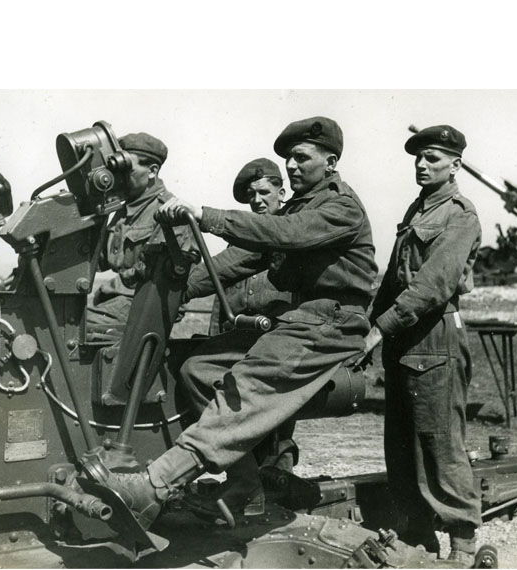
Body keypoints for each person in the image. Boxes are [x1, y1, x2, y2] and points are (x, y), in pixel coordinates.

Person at [91, 116, 377, 531]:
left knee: (246, 385)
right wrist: (163, 286)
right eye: (289, 159)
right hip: (303, 318)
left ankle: (155, 485)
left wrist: (204, 215)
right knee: (198, 370)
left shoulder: (340, 207)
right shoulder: (300, 207)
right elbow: (228, 264)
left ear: (331, 162)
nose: (292, 167)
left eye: (301, 158)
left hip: (332, 321)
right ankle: (246, 486)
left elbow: (287, 233)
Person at [361, 124, 482, 564]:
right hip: (404, 338)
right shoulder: (418, 210)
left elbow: (433, 285)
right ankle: (419, 534)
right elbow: (394, 280)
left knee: (438, 441)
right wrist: (369, 324)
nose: (421, 164)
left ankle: (463, 541)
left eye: (432, 157)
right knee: (402, 442)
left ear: (456, 164)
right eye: (418, 157)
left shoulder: (459, 216)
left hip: (434, 338)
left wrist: (381, 328)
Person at [181, 157, 298, 488]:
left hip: (275, 344)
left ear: (282, 192)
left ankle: (274, 484)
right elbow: (222, 297)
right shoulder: (240, 244)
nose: (257, 201)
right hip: (239, 345)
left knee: (275, 433)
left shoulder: (293, 238)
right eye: (251, 196)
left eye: (264, 192)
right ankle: (248, 482)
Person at [85, 132, 190, 344]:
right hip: (114, 302)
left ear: (152, 171)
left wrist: (109, 288)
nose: (120, 177)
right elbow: (99, 260)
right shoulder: (125, 210)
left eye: (127, 170)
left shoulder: (168, 213)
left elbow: (154, 278)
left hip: (144, 306)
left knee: (69, 330)